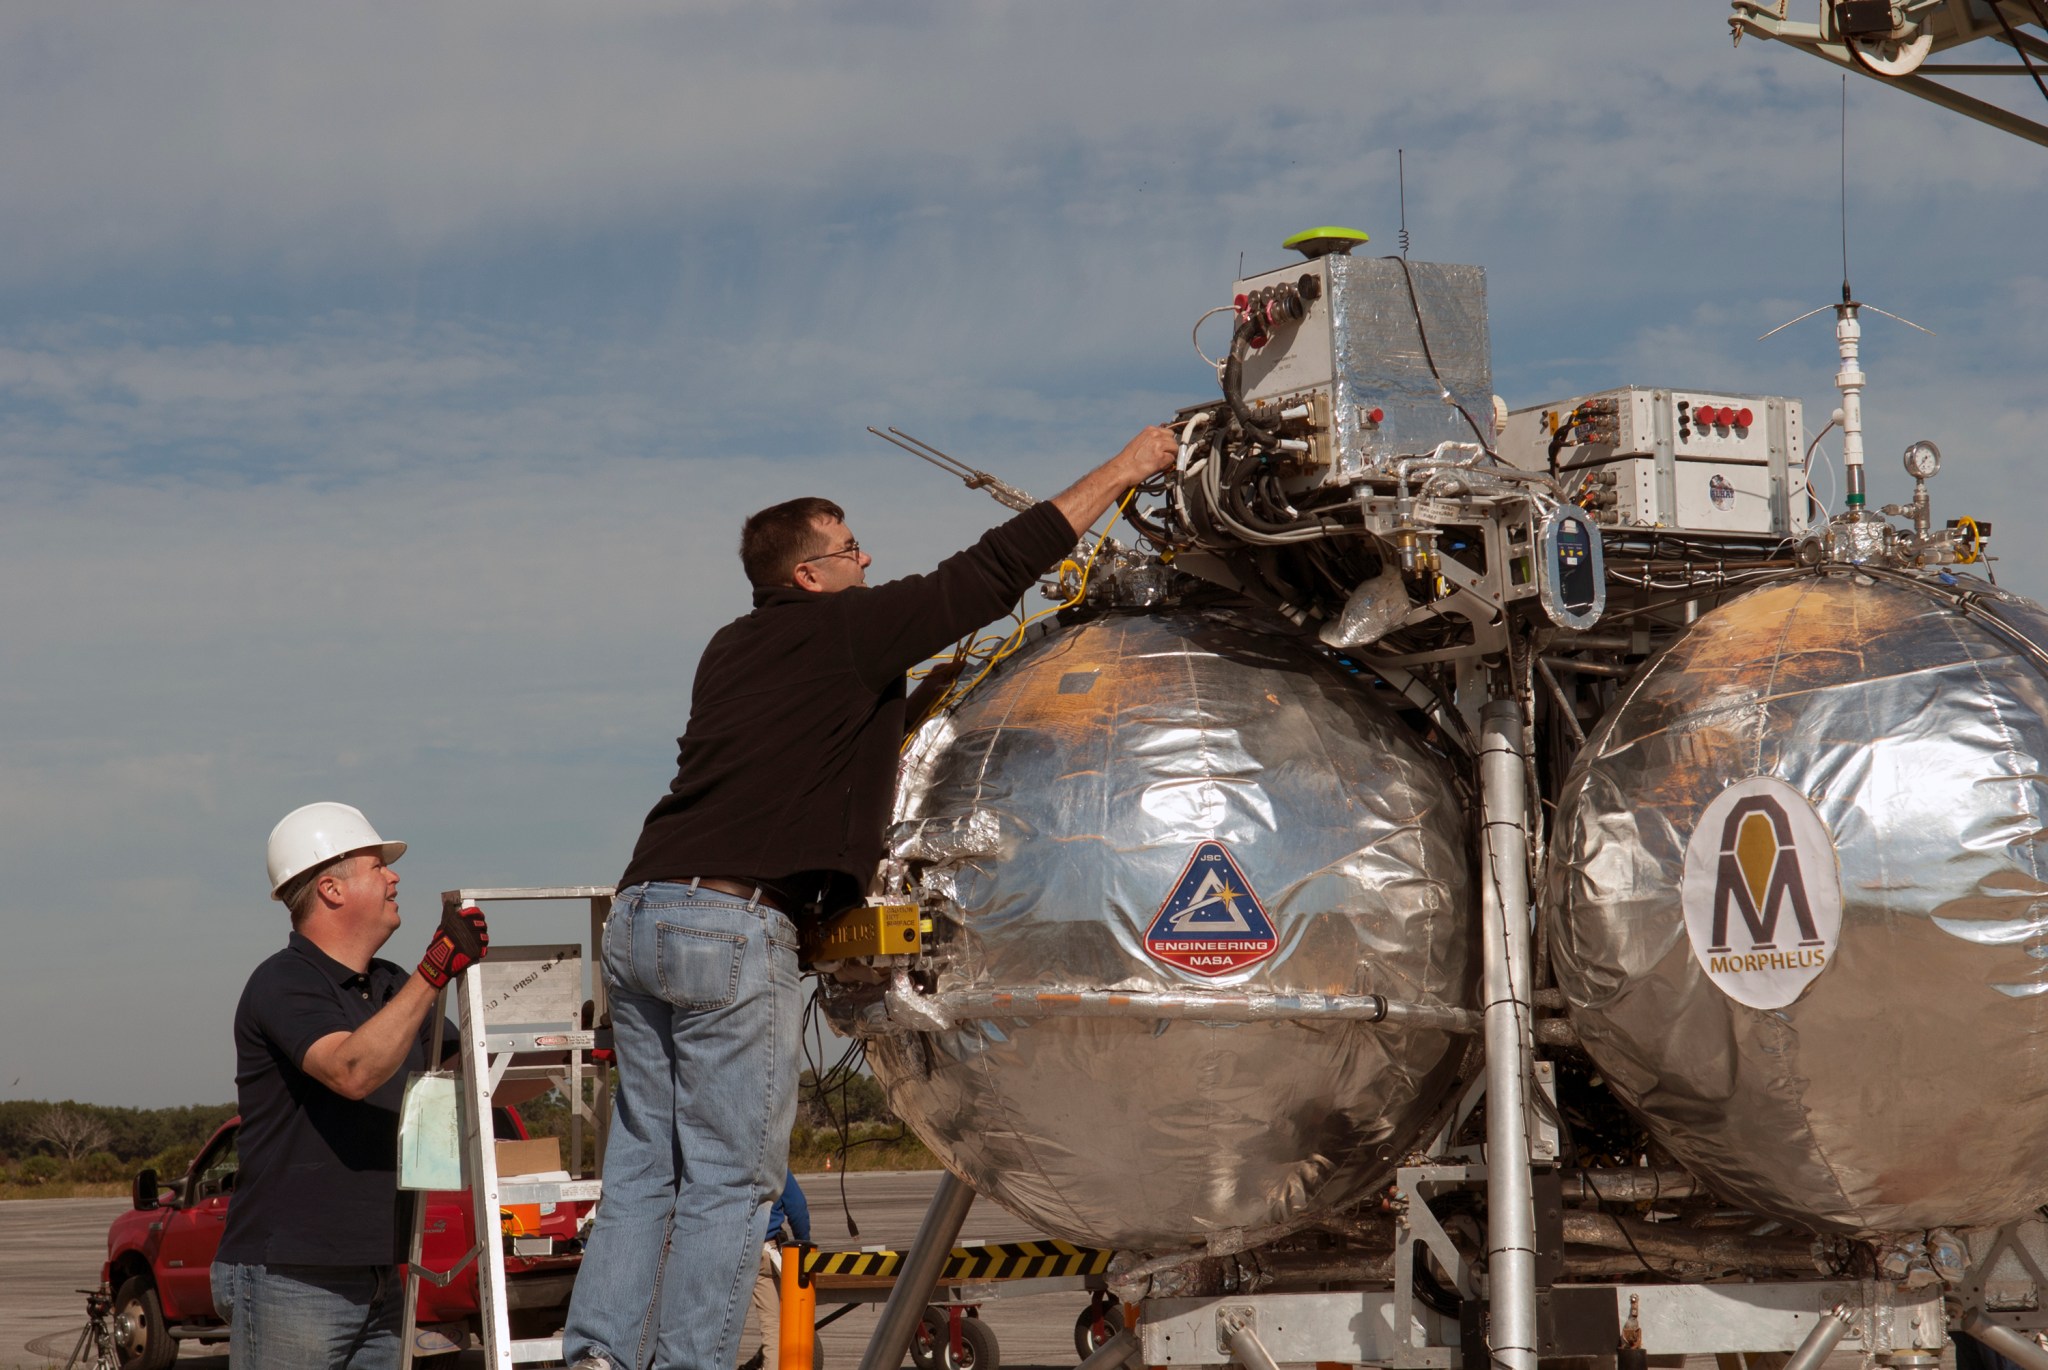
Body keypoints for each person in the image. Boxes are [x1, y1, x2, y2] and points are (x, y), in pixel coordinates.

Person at [563, 426, 1178, 1370]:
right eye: (851, 549)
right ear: (810, 575)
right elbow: (994, 567)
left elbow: (814, 743)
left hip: (645, 909)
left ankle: (597, 1357)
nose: (869, 559)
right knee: (733, 1182)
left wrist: (916, 697)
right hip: (732, 925)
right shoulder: (846, 630)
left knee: (647, 1169)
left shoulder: (734, 647)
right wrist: (1130, 466)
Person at [211, 801, 491, 1370]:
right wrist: (435, 970)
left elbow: (482, 1084)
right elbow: (353, 1070)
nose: (394, 877)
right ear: (332, 890)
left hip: (380, 1269)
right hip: (292, 1274)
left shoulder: (392, 986)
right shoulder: (283, 982)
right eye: (376, 866)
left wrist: (586, 1050)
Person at [742, 1172, 813, 1370]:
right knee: (773, 1328)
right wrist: (803, 1244)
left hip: (723, 1249)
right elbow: (797, 1207)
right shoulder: (772, 1160)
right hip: (763, 1249)